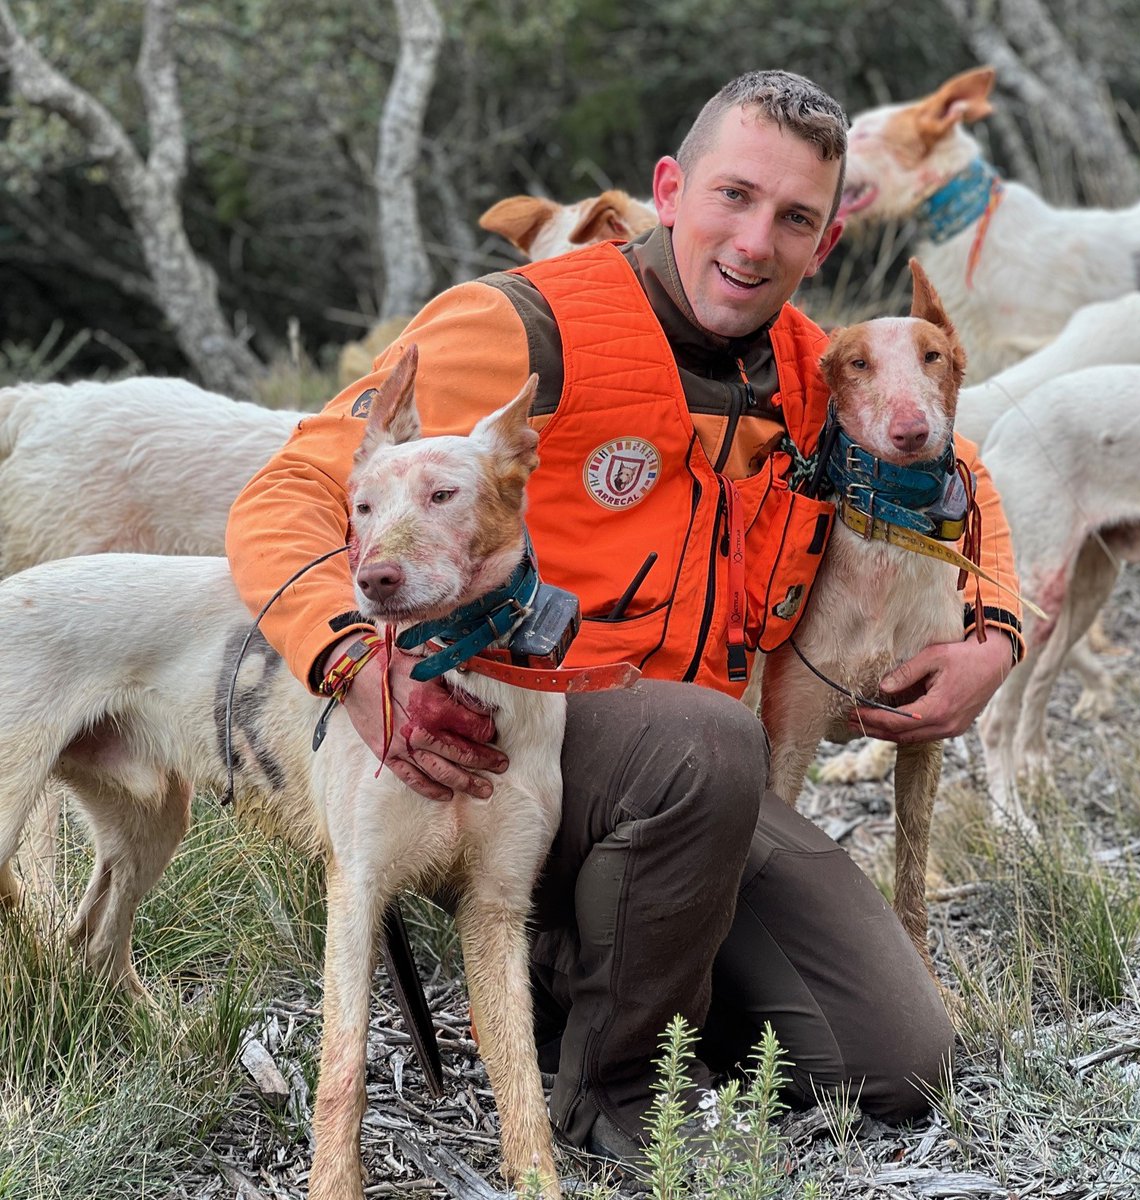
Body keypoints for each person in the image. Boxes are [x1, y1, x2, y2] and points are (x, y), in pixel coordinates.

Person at [226, 70, 1022, 1162]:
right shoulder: (522, 325)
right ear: (668, 188)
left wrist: (993, 635)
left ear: (825, 240)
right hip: (517, 739)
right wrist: (360, 669)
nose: (754, 241)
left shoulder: (807, 370)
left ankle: (624, 957)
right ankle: (605, 1088)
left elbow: (958, 466)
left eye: (794, 217)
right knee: (707, 738)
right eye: (732, 197)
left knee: (893, 1060)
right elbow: (286, 496)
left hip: (690, 794)